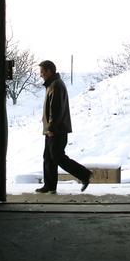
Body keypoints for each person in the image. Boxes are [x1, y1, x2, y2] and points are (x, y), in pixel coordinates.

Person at [35, 60, 92, 194]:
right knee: (48, 157)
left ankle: (84, 175)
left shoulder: (56, 86)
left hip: (56, 130)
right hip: (53, 130)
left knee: (57, 157)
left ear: (49, 71)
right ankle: (49, 186)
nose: (41, 75)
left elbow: (56, 110)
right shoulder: (53, 84)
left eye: (42, 72)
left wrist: (51, 128)